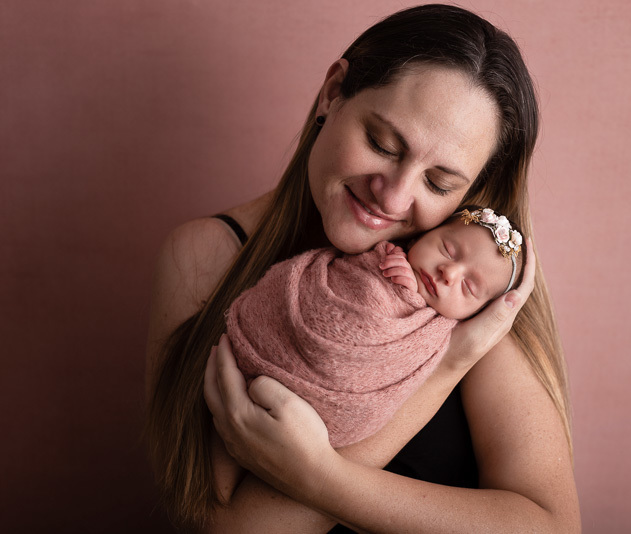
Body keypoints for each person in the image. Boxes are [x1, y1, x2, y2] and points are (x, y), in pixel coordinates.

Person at [145, 4, 580, 532]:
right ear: (333, 93)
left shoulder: (467, 286)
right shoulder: (203, 257)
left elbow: (551, 527)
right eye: (382, 143)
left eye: (439, 183)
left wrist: (322, 476)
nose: (394, 196)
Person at [226, 208, 524, 454]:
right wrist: (391, 273)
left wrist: (411, 297)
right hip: (273, 344)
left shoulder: (443, 334)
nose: (449, 273)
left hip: (321, 410)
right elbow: (357, 282)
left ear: (478, 312)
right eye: (448, 249)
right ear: (424, 235)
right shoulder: (384, 256)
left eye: (468, 287)